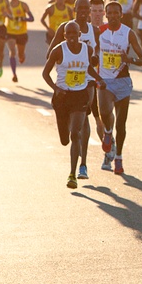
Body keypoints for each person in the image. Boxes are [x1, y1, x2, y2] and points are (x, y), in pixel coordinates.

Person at [42, 22, 105, 189]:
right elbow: (45, 73)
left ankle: (72, 174)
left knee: (75, 133)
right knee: (64, 139)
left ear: (79, 35)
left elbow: (88, 69)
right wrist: (56, 89)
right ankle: (69, 150)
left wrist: (99, 79)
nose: (71, 37)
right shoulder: (58, 51)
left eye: (74, 34)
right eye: (68, 34)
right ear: (64, 36)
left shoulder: (87, 49)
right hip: (62, 98)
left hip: (80, 95)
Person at [97, 1, 142, 175]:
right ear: (105, 14)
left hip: (122, 81)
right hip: (104, 79)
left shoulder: (128, 33)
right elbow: (91, 53)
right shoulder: (99, 32)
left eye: (115, 13)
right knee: (104, 111)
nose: (112, 16)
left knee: (121, 123)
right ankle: (107, 132)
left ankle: (118, 157)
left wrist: (129, 60)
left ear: (121, 15)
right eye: (109, 13)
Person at [3, 0, 33, 83]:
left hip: (22, 33)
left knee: (20, 55)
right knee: (12, 51)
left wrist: (23, 19)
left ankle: (22, 57)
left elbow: (32, 18)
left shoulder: (23, 5)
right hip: (10, 32)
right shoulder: (7, 6)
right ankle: (14, 74)